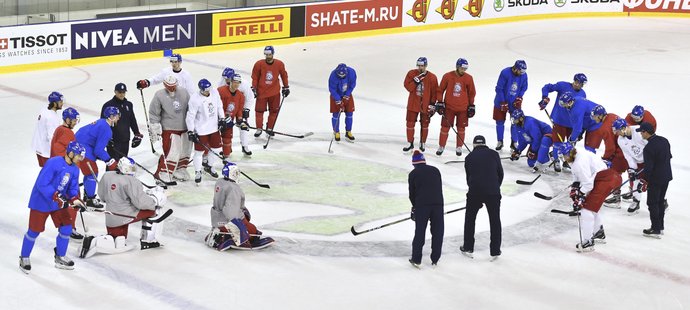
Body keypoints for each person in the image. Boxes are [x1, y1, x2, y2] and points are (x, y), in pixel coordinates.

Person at [80, 157, 169, 258]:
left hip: (110, 218)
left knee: (118, 239)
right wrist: (154, 201)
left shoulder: (107, 175)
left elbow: (102, 197)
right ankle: (148, 241)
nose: (132, 170)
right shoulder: (131, 180)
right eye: (130, 168)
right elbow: (141, 203)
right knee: (152, 210)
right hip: (123, 216)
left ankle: (95, 241)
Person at [19, 141, 86, 274]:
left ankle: (60, 257)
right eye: (79, 156)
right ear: (71, 153)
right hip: (41, 202)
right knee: (34, 231)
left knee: (66, 228)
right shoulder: (53, 163)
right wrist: (56, 197)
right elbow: (42, 184)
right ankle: (24, 257)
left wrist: (75, 199)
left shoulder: (74, 169)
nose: (80, 159)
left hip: (58, 204)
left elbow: (72, 188)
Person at [558, 142, 621, 252]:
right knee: (591, 207)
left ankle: (588, 242)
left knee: (586, 209)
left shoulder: (579, 162)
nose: (563, 158)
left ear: (569, 153)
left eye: (564, 155)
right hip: (603, 177)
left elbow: (587, 184)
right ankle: (598, 233)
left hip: (606, 179)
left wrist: (580, 195)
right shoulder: (575, 154)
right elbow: (578, 177)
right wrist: (575, 187)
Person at [205, 162, 274, 250]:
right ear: (232, 174)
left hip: (216, 219)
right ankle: (228, 237)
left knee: (245, 215)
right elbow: (230, 211)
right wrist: (238, 227)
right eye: (236, 173)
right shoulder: (233, 189)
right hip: (227, 221)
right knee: (254, 232)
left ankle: (221, 232)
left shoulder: (220, 182)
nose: (238, 175)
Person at [461, 135, 503, 260]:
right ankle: (495, 250)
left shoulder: (469, 157)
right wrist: (495, 187)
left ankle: (468, 246)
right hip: (493, 192)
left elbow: (468, 177)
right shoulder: (494, 154)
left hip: (475, 191)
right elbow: (500, 173)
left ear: (474, 145)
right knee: (495, 220)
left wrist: (475, 190)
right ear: (485, 144)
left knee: (470, 219)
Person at [75, 107, 121, 209]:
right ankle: (90, 199)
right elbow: (98, 151)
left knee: (89, 173)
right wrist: (109, 160)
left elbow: (85, 132)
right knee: (92, 172)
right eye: (117, 115)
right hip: (83, 149)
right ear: (112, 117)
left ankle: (87, 195)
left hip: (78, 145)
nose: (119, 118)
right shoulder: (107, 129)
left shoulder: (101, 122)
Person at [149, 75, 193, 183]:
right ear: (164, 85)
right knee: (170, 152)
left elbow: (191, 109)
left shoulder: (184, 92)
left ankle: (180, 170)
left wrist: (194, 124)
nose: (172, 88)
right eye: (169, 86)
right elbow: (154, 113)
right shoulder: (159, 95)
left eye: (174, 86)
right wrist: (155, 127)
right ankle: (162, 173)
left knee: (185, 152)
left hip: (185, 127)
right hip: (169, 129)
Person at [50, 107, 83, 240]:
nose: (76, 122)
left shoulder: (60, 129)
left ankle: (67, 227)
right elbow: (60, 153)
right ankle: (69, 228)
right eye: (74, 120)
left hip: (64, 173)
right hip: (66, 174)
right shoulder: (66, 133)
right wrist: (69, 170)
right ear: (68, 119)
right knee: (72, 200)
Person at [407, 150, 444, 268]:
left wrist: (415, 207)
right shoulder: (435, 170)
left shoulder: (413, 174)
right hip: (438, 205)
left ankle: (416, 259)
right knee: (438, 232)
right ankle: (435, 258)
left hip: (422, 206)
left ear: (414, 163)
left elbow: (412, 194)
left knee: (420, 232)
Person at [186, 78, 224, 185]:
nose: (208, 91)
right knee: (199, 153)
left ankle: (209, 166)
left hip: (214, 127)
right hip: (201, 130)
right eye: (206, 90)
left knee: (217, 149)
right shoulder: (194, 99)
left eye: (209, 89)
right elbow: (190, 116)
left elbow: (219, 106)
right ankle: (198, 171)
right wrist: (190, 131)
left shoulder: (214, 92)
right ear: (201, 90)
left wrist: (222, 118)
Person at [435, 58, 476, 156]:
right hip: (449, 108)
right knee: (445, 128)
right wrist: (440, 102)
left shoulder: (469, 78)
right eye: (462, 68)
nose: (464, 70)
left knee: (461, 129)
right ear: (457, 67)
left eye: (465, 68)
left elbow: (472, 93)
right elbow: (440, 90)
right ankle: (441, 146)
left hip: (463, 108)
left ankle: (459, 147)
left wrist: (471, 105)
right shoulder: (447, 76)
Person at [539, 73, 588, 156]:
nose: (578, 85)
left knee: (571, 145)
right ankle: (556, 160)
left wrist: (581, 128)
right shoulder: (563, 85)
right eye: (577, 82)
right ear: (574, 81)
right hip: (559, 120)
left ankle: (567, 162)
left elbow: (581, 110)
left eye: (581, 84)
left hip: (572, 123)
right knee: (557, 143)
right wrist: (545, 98)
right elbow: (547, 87)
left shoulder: (583, 94)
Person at [638, 122, 672, 238]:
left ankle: (655, 229)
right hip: (666, 176)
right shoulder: (664, 140)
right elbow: (669, 157)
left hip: (656, 179)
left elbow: (648, 168)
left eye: (641, 132)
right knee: (660, 201)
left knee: (652, 203)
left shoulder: (648, 148)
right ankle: (660, 227)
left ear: (646, 132)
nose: (640, 134)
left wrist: (644, 180)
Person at [251, 46, 290, 137]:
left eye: (269, 54)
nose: (268, 56)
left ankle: (269, 128)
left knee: (274, 111)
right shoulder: (259, 64)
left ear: (273, 54)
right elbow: (255, 77)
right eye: (266, 55)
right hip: (262, 92)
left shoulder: (279, 64)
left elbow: (284, 75)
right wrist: (254, 88)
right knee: (259, 111)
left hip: (275, 92)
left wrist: (286, 87)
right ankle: (259, 128)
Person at [611, 118, 647, 213]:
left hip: (650, 160)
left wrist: (650, 163)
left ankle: (662, 201)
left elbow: (651, 147)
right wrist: (632, 169)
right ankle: (636, 202)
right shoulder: (620, 140)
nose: (616, 133)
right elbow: (628, 156)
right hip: (638, 162)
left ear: (623, 128)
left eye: (617, 131)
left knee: (653, 184)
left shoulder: (639, 131)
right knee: (635, 181)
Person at [403, 57, 438, 152]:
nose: (420, 67)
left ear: (426, 66)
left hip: (426, 105)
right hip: (413, 104)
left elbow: (435, 92)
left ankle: (423, 142)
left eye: (422, 66)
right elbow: (408, 87)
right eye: (418, 65)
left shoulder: (432, 77)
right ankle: (410, 142)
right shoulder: (411, 74)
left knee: (425, 125)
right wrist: (415, 81)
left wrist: (433, 104)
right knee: (410, 123)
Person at [101, 83, 143, 160]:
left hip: (125, 139)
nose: (122, 94)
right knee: (112, 164)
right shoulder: (108, 105)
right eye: (119, 92)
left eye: (123, 92)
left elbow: (132, 120)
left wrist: (137, 133)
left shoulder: (129, 105)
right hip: (113, 141)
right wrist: (106, 138)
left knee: (124, 164)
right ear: (115, 92)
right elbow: (103, 124)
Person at [493, 60, 528, 151]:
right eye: (520, 71)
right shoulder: (505, 73)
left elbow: (524, 87)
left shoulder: (524, 75)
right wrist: (502, 101)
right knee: (500, 122)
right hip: (500, 101)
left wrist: (519, 97)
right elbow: (499, 88)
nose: (522, 73)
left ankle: (514, 142)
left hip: (514, 103)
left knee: (515, 123)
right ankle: (500, 141)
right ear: (516, 68)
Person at [218, 73, 252, 157]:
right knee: (212, 140)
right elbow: (216, 106)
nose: (236, 84)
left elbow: (239, 110)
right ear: (231, 82)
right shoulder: (220, 91)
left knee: (227, 138)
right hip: (217, 119)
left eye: (238, 82)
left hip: (229, 121)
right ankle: (205, 160)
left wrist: (240, 121)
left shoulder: (241, 96)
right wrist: (222, 118)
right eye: (235, 82)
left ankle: (226, 158)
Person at [32, 91, 64, 167]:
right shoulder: (52, 118)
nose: (62, 103)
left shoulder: (44, 110)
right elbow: (52, 137)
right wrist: (57, 153)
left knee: (46, 171)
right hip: (46, 151)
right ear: (54, 103)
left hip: (39, 147)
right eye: (60, 102)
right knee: (50, 174)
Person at [329, 63, 357, 141]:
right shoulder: (333, 76)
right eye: (339, 75)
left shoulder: (351, 72)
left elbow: (352, 84)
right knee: (336, 114)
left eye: (343, 75)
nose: (341, 77)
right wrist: (338, 99)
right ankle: (336, 132)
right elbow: (332, 89)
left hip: (346, 93)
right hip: (336, 95)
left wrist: (347, 95)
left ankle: (348, 131)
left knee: (349, 113)